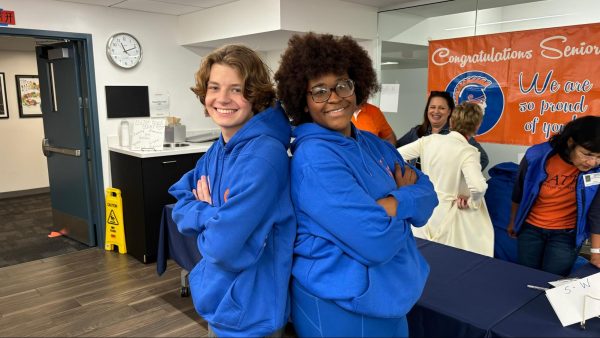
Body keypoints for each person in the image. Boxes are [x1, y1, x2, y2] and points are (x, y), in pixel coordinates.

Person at [274, 32, 438, 338]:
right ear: (303, 102)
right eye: (319, 91)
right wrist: (404, 201)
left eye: (342, 85)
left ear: (357, 86)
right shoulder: (314, 160)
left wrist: (394, 203)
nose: (334, 97)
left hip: (390, 296)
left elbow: (429, 194)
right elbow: (376, 241)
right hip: (341, 304)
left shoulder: (375, 146)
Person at [168, 45, 295, 337]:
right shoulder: (219, 148)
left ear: (256, 96)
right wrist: (211, 213)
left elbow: (220, 247)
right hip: (222, 299)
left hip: (250, 309)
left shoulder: (263, 156)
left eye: (236, 89)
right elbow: (180, 198)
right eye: (214, 87)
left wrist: (207, 213)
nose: (222, 99)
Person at [507, 115, 600, 276]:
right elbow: (519, 191)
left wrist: (596, 251)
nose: (591, 162)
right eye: (587, 154)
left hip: (566, 235)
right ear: (571, 142)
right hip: (531, 229)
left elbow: (596, 212)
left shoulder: (596, 171)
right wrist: (514, 221)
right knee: (525, 276)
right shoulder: (536, 156)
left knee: (553, 280)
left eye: (599, 157)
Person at [398, 102, 494, 257]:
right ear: (477, 126)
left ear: (451, 121)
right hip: (454, 213)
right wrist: (472, 202)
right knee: (452, 261)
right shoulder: (468, 151)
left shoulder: (428, 141)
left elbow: (396, 155)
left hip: (426, 207)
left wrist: (413, 181)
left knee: (422, 256)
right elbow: (478, 187)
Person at [396, 91, 489, 170]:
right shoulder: (416, 131)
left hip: (442, 190)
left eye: (442, 108)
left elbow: (483, 159)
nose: (436, 111)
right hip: (415, 188)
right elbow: (395, 150)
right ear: (427, 110)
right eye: (432, 107)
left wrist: (460, 178)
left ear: (449, 112)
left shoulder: (458, 135)